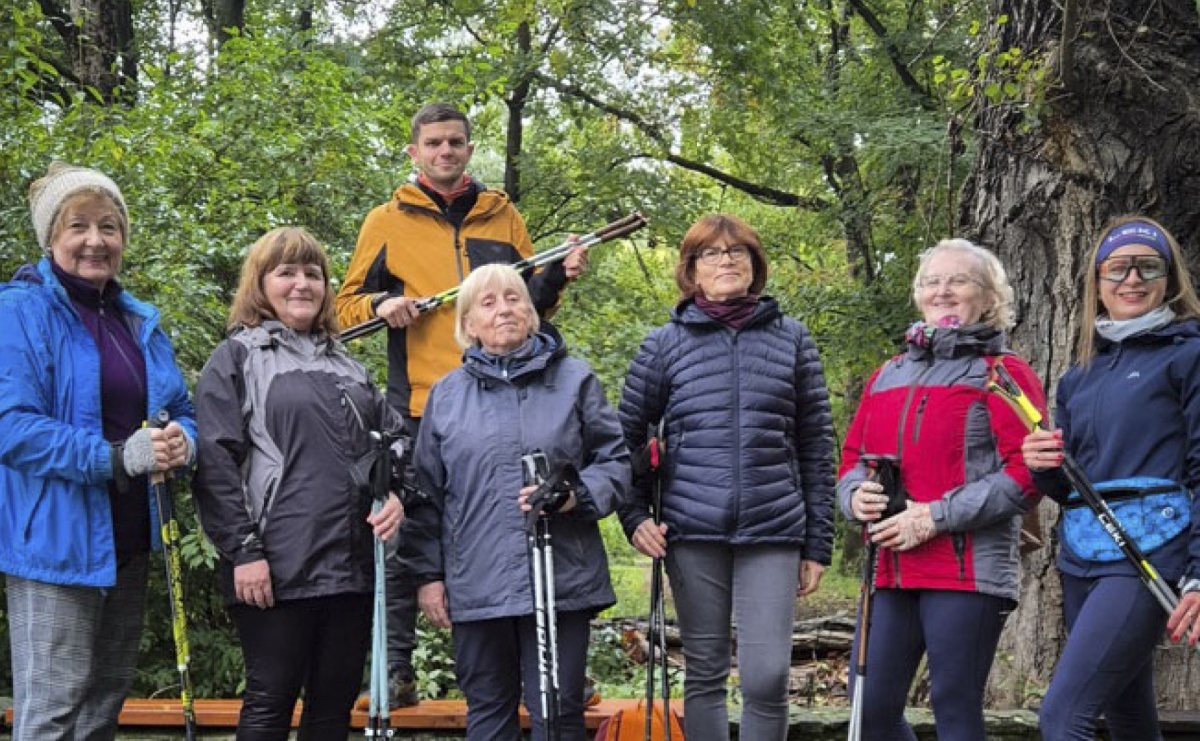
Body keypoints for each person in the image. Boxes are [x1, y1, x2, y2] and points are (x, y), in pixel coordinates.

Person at [335, 102, 587, 707]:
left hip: (507, 398)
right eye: (433, 143)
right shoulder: (385, 221)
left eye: (455, 142)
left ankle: (542, 670)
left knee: (520, 525)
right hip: (421, 401)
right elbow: (343, 309)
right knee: (404, 531)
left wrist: (559, 275)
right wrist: (381, 306)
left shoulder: (503, 214)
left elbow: (527, 302)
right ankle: (396, 669)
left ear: (470, 149)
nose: (445, 151)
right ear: (414, 152)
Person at [618, 213, 836, 741]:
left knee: (768, 677)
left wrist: (818, 542)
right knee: (705, 673)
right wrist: (633, 516)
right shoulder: (663, 345)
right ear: (691, 270)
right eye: (711, 253)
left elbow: (816, 444)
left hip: (774, 527)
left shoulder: (793, 340)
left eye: (737, 251)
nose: (726, 261)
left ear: (755, 264)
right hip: (690, 529)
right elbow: (624, 440)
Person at [0, 161, 196, 740]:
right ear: (50, 238)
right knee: (53, 711)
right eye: (78, 226)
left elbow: (179, 407)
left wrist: (184, 440)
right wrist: (113, 457)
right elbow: (11, 426)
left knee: (102, 707)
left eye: (109, 227)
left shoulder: (137, 321)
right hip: (55, 545)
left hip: (128, 540)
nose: (95, 240)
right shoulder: (19, 311)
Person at [194, 227, 407, 740]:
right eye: (286, 272)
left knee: (332, 710)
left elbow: (394, 443)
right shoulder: (237, 358)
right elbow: (215, 464)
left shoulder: (347, 364)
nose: (302, 284)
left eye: (313, 274)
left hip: (353, 566)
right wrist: (243, 552)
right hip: (276, 565)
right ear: (260, 283)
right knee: (270, 703)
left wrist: (397, 495)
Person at [405, 263, 628, 740]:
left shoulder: (574, 380)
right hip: (476, 580)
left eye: (514, 299)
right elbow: (425, 495)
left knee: (557, 711)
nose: (504, 309)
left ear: (530, 313)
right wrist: (428, 576)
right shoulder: (446, 396)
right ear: (468, 324)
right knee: (488, 710)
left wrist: (576, 496)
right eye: (488, 303)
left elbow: (615, 461)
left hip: (561, 576)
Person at [836, 238, 1046, 740]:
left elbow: (1027, 473)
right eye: (932, 281)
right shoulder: (887, 374)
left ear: (989, 297)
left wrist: (934, 516)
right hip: (889, 567)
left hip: (967, 569)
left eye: (959, 281)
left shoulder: (1003, 374)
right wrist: (854, 495)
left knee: (954, 706)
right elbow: (852, 459)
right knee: (869, 710)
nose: (943, 291)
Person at [1022, 216, 1200, 741]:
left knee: (1063, 716)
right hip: (1082, 555)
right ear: (1098, 282)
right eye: (1118, 268)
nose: (1132, 279)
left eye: (1148, 266)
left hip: (1152, 552)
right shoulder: (1080, 373)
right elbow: (1071, 488)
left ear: (1170, 278)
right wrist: (1043, 466)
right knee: (1127, 715)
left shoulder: (1189, 355)